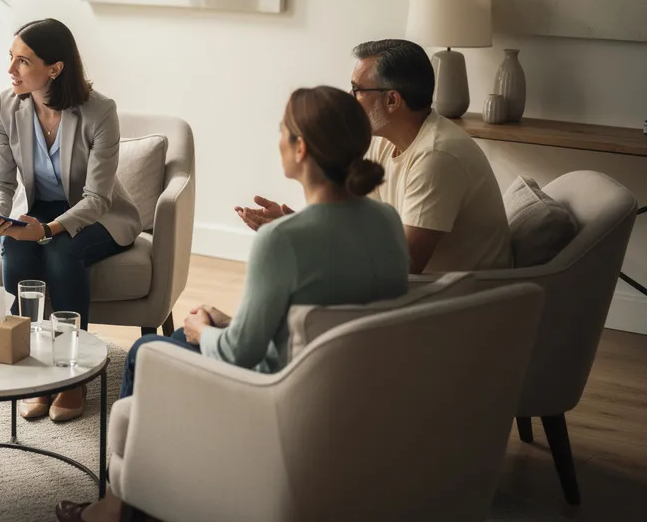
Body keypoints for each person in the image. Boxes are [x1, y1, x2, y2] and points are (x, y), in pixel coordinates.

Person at [57, 87, 410, 522]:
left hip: (276, 393)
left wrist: (203, 331)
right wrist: (231, 320)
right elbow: (323, 311)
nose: (278, 138)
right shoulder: (387, 220)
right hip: (352, 389)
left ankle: (117, 509)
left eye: (283, 130)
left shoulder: (282, 240)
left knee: (145, 353)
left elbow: (241, 353)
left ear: (300, 148)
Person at [0, 18, 141, 424]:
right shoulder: (4, 106)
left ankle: (72, 374)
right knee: (14, 243)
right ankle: (29, 364)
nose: (11, 70)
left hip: (95, 215)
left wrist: (48, 230)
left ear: (55, 68)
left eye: (23, 61)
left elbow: (97, 199)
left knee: (63, 252)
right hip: (37, 208)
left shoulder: (100, 112)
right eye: (10, 58)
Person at [237, 39, 512, 274]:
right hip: (425, 291)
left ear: (392, 101)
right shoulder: (385, 142)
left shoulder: (436, 156)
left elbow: (402, 266)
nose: (348, 97)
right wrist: (294, 225)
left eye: (357, 90)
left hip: (461, 306)